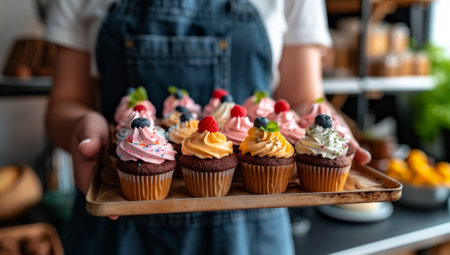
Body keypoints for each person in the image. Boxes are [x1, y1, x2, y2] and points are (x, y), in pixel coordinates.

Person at [44, 0, 371, 254]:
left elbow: (301, 99)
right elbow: (65, 102)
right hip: (115, 229)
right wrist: (82, 128)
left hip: (252, 227)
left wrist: (322, 127)